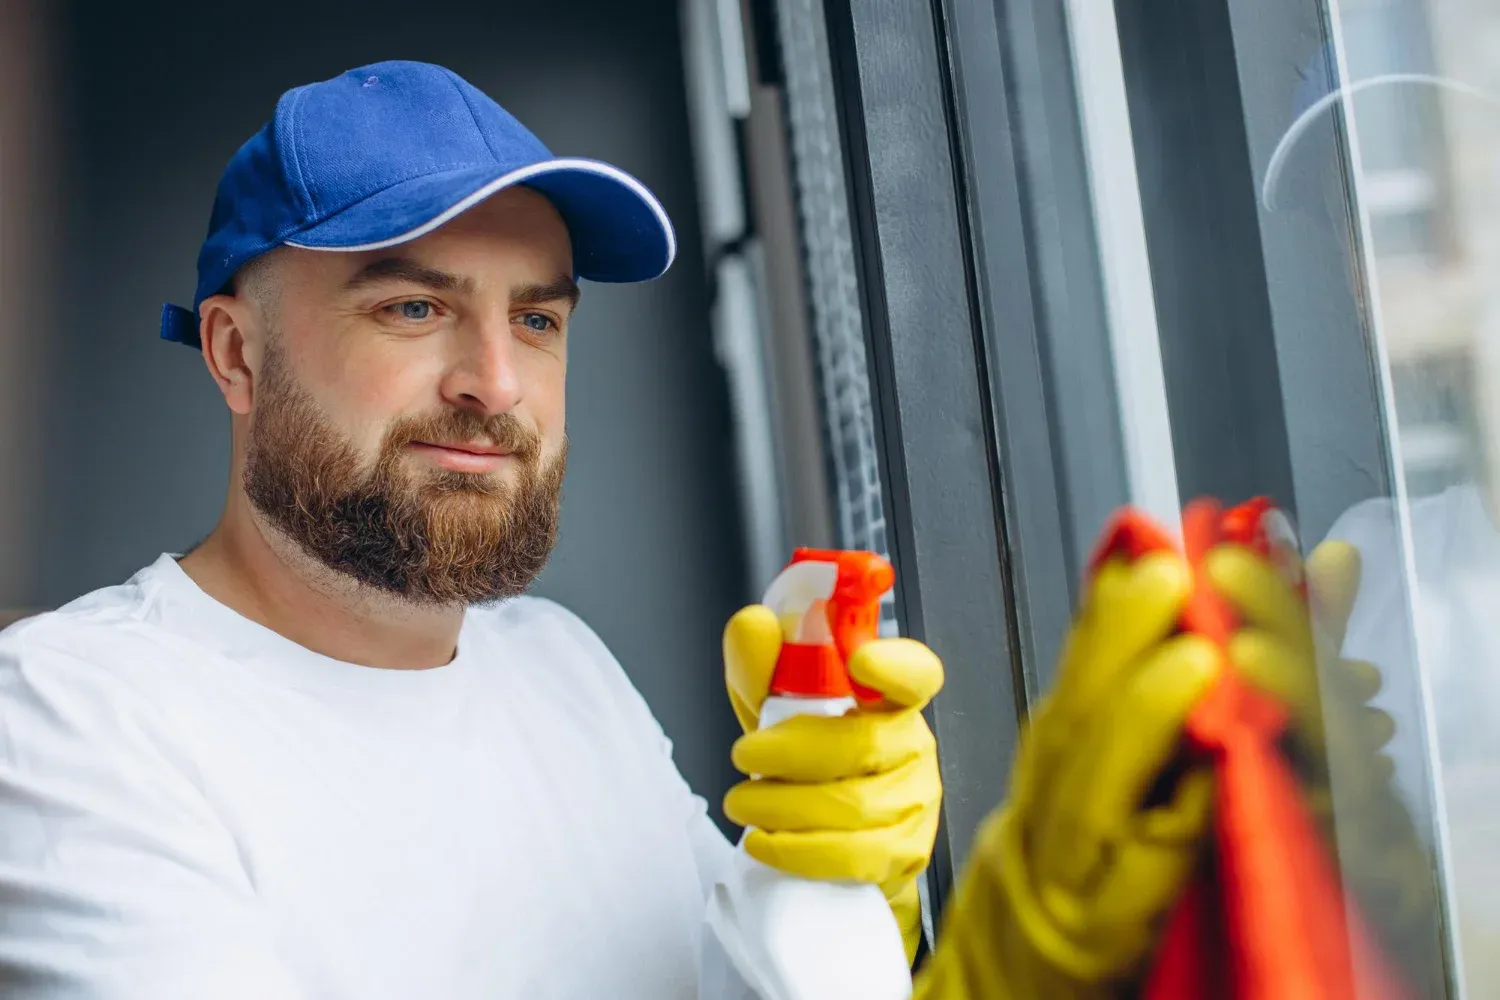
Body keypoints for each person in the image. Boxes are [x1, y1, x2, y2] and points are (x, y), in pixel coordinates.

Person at [0, 61, 947, 999]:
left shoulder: (561, 666)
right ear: (237, 353)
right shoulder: (67, 715)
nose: (495, 384)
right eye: (414, 309)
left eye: (536, 319)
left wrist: (834, 897)